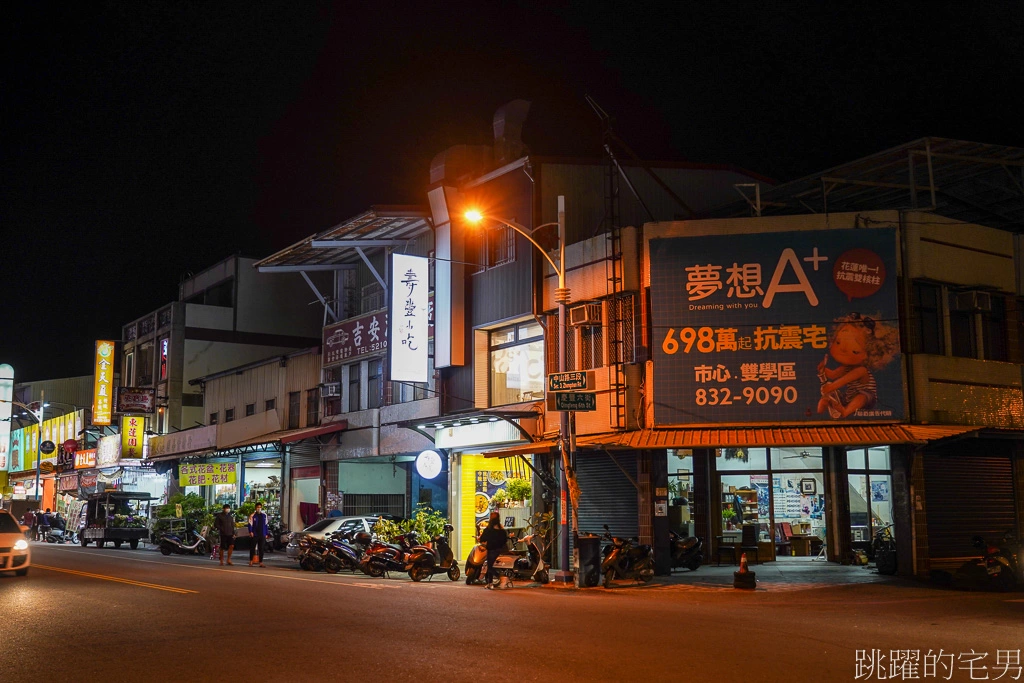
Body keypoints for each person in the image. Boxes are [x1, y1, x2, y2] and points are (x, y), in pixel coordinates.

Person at [479, 511, 508, 589]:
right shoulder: (501, 529)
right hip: (500, 550)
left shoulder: (489, 529)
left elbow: (482, 539)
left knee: (490, 566)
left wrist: (484, 542)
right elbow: (505, 539)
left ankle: (501, 577)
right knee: (491, 566)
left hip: (491, 549)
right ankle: (490, 583)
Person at [247, 502, 270, 567]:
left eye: (260, 507)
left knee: (261, 548)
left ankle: (261, 562)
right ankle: (251, 561)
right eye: (258, 507)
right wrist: (251, 532)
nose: (259, 509)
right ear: (255, 508)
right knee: (252, 548)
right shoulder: (252, 515)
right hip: (255, 534)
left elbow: (266, 525)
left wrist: (266, 533)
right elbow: (250, 524)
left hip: (262, 534)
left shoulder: (264, 515)